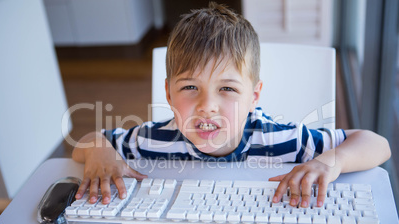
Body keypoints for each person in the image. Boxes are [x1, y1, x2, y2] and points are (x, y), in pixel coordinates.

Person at [72, 2, 391, 209]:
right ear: (168, 94)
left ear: (254, 96)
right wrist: (101, 152)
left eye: (226, 88)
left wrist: (329, 163)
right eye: (190, 87)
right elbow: (86, 143)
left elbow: (378, 144)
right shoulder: (151, 140)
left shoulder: (282, 140)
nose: (207, 105)